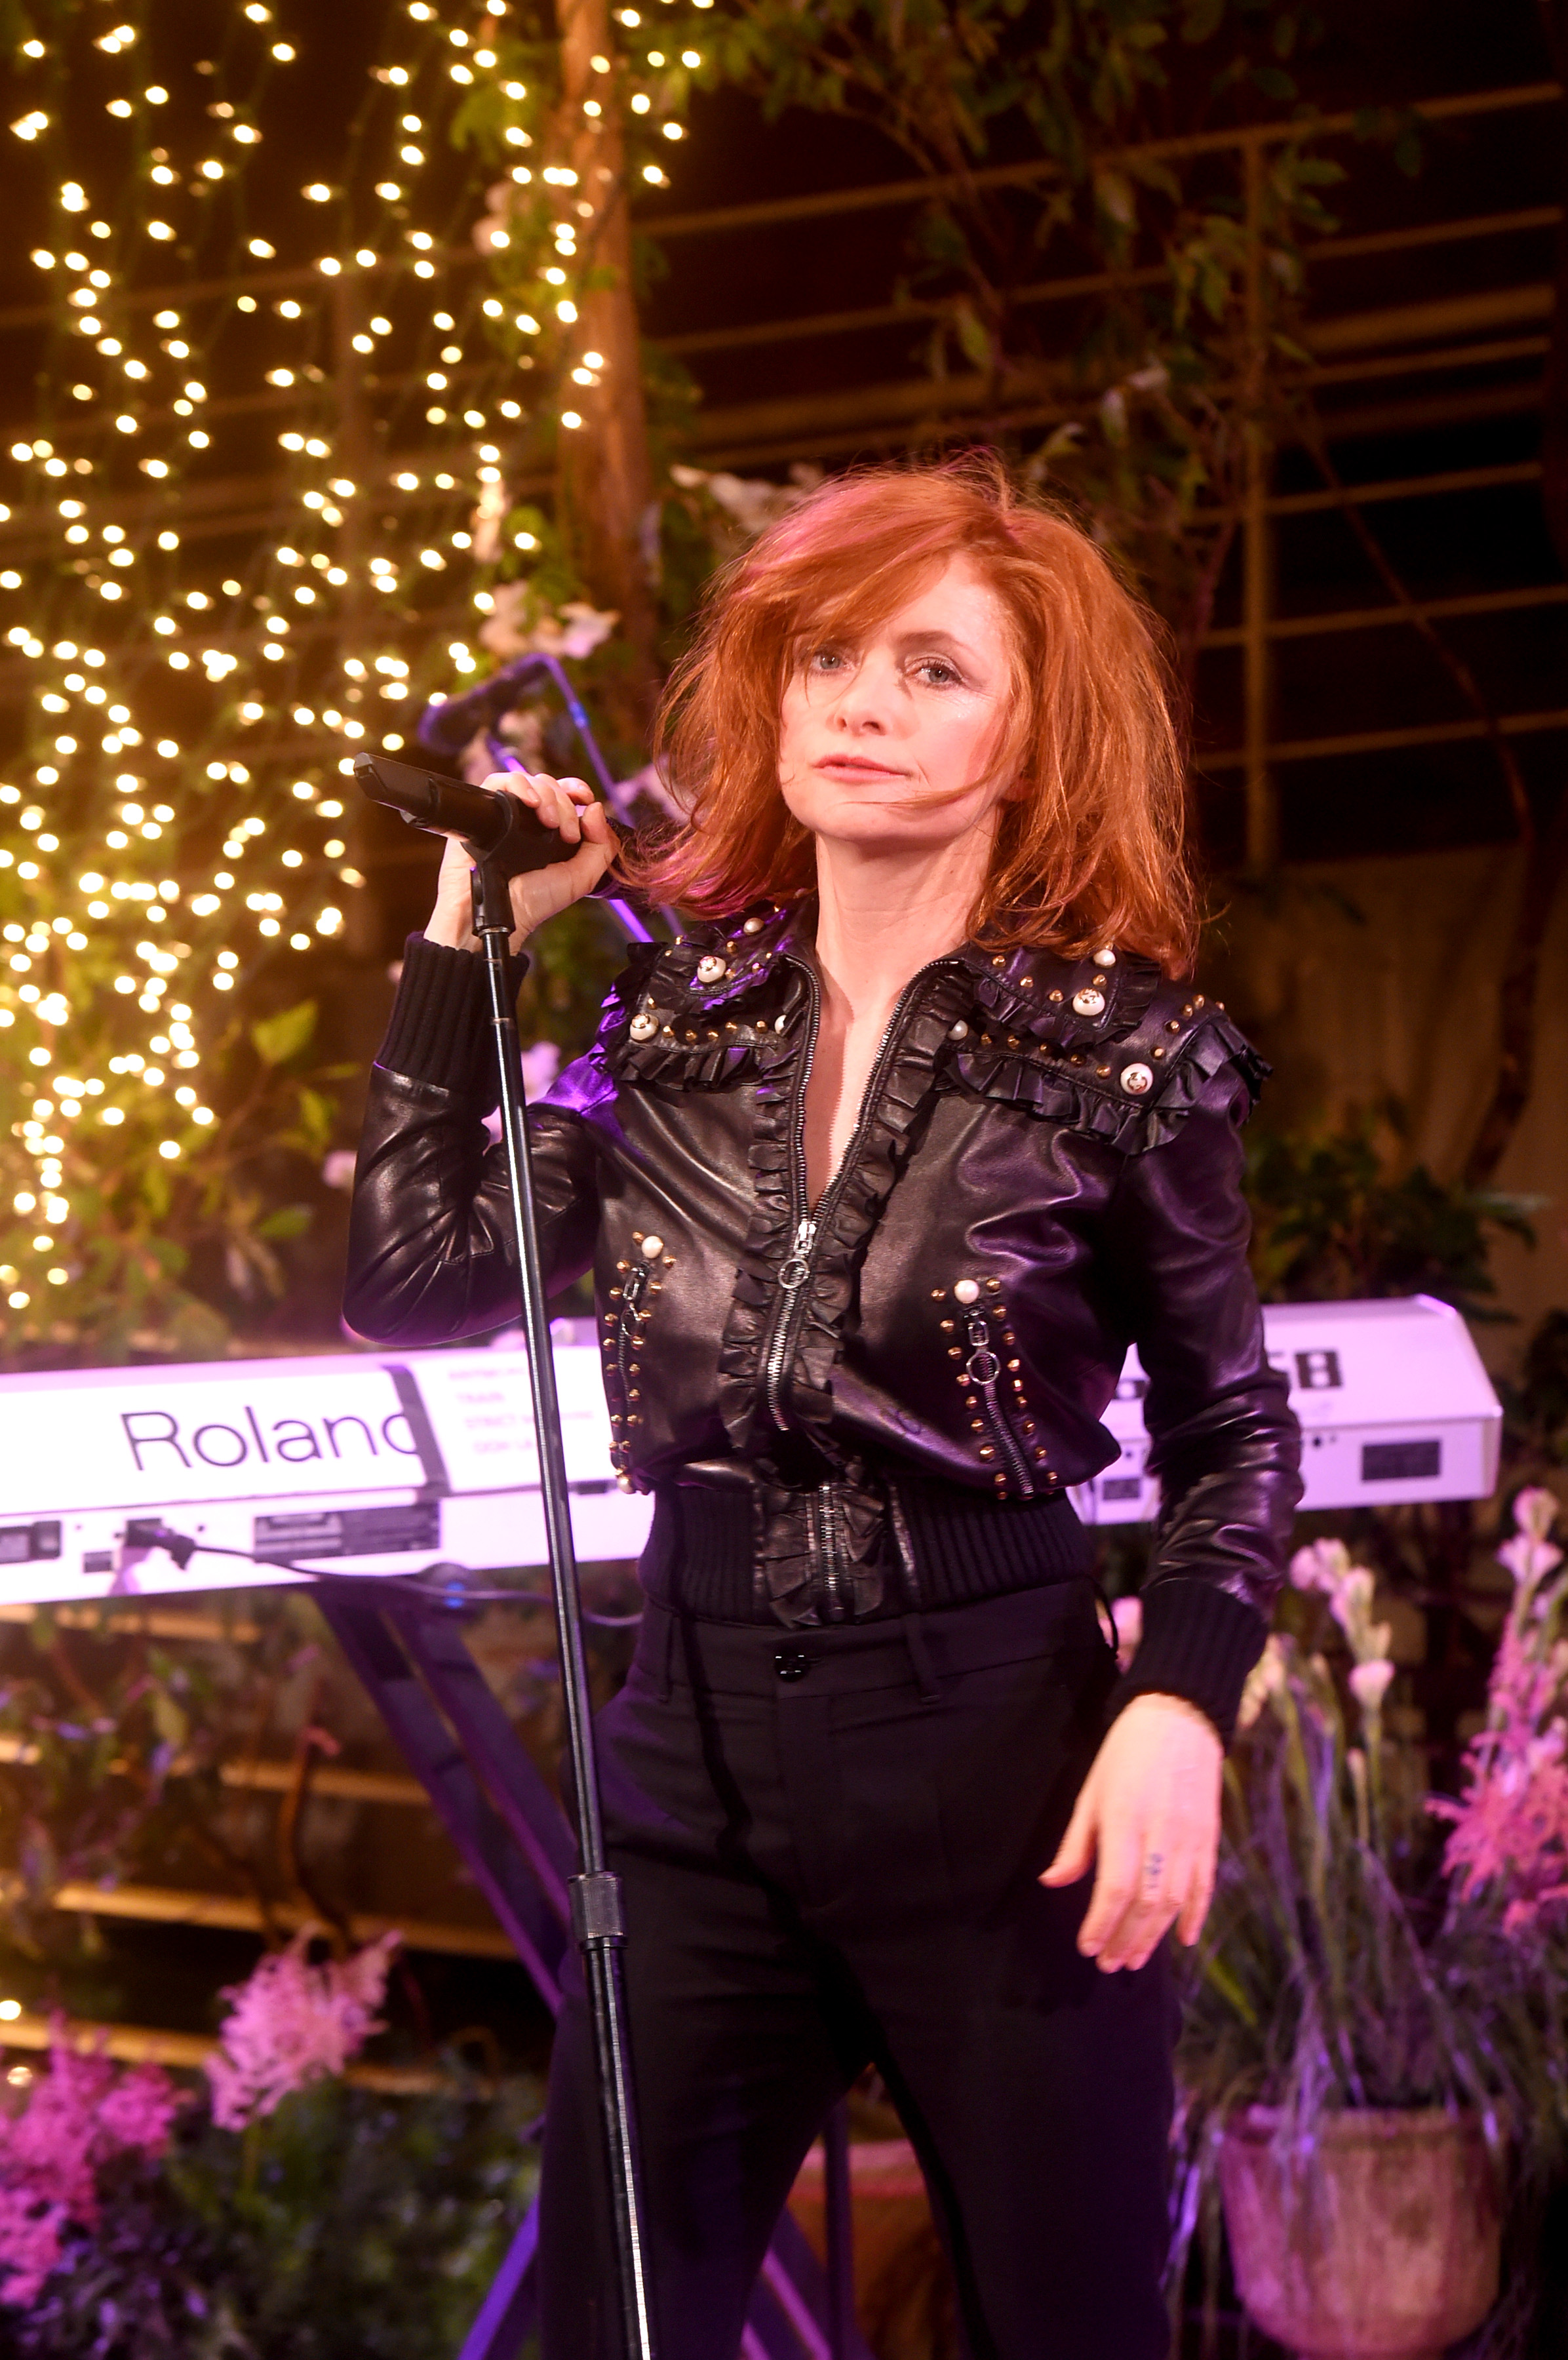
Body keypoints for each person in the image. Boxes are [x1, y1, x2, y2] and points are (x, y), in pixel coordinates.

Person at [344, 456, 1302, 2359]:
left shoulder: (1121, 1063)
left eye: (935, 670)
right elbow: (415, 1279)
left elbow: (1230, 1439)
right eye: (829, 656)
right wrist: (469, 933)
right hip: (691, 1750)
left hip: (1001, 1765)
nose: (862, 702)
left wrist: (1181, 1698)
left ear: (1036, 734)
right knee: (613, 2328)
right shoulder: (679, 1033)